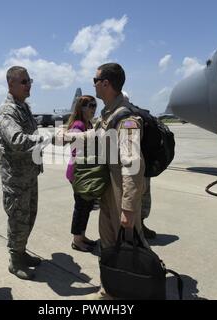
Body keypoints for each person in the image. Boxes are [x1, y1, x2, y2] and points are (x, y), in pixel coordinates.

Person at [93, 63, 148, 299]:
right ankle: (111, 289)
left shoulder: (126, 119)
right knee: (108, 243)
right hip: (109, 189)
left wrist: (128, 207)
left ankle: (142, 285)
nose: (93, 84)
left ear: (106, 83)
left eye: (95, 80)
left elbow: (133, 166)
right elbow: (98, 136)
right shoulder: (108, 114)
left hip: (121, 190)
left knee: (131, 245)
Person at [0, 66, 51, 281]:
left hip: (29, 174)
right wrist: (46, 138)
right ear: (11, 84)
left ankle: (21, 251)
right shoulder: (7, 110)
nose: (29, 85)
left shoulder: (24, 107)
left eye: (30, 81)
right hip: (16, 178)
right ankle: (15, 260)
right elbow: (17, 140)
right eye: (24, 82)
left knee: (29, 217)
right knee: (18, 219)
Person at [65, 95, 98, 253]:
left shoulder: (89, 124)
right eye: (90, 105)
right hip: (78, 173)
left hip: (86, 172)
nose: (93, 108)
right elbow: (76, 150)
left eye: (94, 105)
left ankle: (82, 236)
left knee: (87, 206)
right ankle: (77, 241)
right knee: (81, 206)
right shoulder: (78, 125)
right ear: (82, 108)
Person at [122, 92, 156, 239]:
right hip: (147, 164)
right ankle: (139, 226)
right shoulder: (142, 115)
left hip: (133, 167)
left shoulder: (128, 119)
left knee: (132, 198)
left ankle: (135, 230)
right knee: (143, 196)